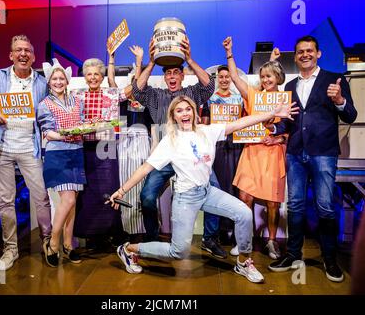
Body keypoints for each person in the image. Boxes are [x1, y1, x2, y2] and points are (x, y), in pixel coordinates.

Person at [107, 95, 298, 283]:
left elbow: (241, 123)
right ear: (174, 116)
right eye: (179, 111)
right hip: (185, 198)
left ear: (194, 112)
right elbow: (145, 168)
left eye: (187, 109)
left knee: (244, 214)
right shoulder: (170, 141)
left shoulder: (207, 131)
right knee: (178, 252)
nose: (184, 113)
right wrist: (121, 191)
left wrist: (270, 113)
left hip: (207, 192)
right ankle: (129, 249)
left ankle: (243, 262)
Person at [267, 35, 357, 282]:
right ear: (295, 57)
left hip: (324, 153)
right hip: (295, 152)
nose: (304, 54)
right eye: (300, 52)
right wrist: (273, 128)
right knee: (295, 205)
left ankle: (330, 260)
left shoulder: (334, 80)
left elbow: (350, 115)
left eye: (309, 50)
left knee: (325, 206)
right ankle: (293, 255)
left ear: (318, 53)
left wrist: (339, 100)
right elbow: (288, 120)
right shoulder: (289, 86)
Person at [132, 37, 225, 258]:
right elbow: (137, 91)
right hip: (165, 157)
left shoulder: (192, 93)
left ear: (182, 75)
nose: (172, 76)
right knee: (146, 196)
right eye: (168, 73)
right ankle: (153, 239)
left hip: (192, 156)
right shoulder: (155, 95)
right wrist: (152, 62)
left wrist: (190, 59)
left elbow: (209, 85)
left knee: (215, 188)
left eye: (176, 72)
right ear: (164, 77)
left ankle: (209, 239)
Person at [0, 35, 52, 270]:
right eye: (18, 50)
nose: (23, 54)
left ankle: (48, 242)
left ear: (34, 56)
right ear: (11, 55)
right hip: (0, 147)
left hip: (30, 147)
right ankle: (10, 249)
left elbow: (47, 111)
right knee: (6, 201)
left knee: (42, 198)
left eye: (27, 50)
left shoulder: (41, 82)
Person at [222, 37, 288, 260]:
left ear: (278, 77)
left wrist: (277, 140)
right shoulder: (253, 96)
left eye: (269, 76)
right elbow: (234, 77)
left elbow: (290, 129)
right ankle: (244, 241)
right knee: (245, 198)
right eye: (262, 76)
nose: (265, 79)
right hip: (251, 152)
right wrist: (229, 53)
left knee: (272, 203)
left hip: (272, 155)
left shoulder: (285, 99)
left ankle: (271, 242)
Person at [72, 57, 131, 242]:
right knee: (88, 193)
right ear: (84, 77)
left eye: (96, 74)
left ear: (102, 76)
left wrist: (142, 62)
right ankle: (89, 235)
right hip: (84, 148)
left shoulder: (112, 94)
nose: (92, 77)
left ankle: (112, 233)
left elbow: (134, 89)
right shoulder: (76, 95)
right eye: (89, 74)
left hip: (106, 148)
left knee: (109, 189)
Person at [37, 59, 86, 267]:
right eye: (54, 79)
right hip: (58, 155)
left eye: (61, 78)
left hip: (76, 152)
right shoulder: (44, 104)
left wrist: (82, 129)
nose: (58, 82)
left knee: (72, 203)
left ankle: (68, 244)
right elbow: (46, 131)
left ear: (67, 81)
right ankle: (54, 243)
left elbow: (82, 122)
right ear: (49, 82)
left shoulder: (76, 100)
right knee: (68, 201)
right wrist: (66, 134)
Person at [108, 46, 155, 242]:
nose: (135, 85)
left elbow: (153, 128)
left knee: (141, 185)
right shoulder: (122, 99)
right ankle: (127, 229)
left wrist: (140, 61)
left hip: (143, 140)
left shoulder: (149, 98)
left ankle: (143, 231)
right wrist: (111, 57)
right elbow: (111, 82)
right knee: (125, 184)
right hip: (124, 141)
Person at [201, 65, 245, 257]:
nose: (225, 79)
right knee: (218, 188)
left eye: (228, 76)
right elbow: (204, 122)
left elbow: (245, 121)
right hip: (216, 146)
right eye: (222, 76)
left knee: (233, 187)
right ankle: (216, 233)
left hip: (235, 145)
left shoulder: (239, 99)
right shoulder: (210, 99)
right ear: (217, 78)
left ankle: (233, 232)